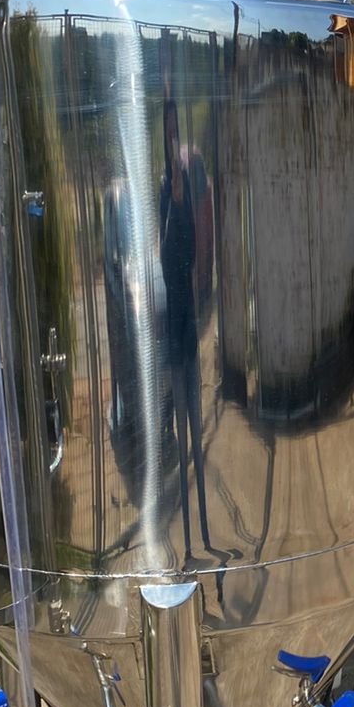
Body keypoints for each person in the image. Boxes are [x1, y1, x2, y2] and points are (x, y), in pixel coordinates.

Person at [159, 94, 212, 556]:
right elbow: (163, 256)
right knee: (176, 397)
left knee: (194, 399)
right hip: (170, 323)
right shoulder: (161, 190)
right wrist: (172, 204)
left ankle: (203, 524)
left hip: (191, 320)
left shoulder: (194, 179)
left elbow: (197, 250)